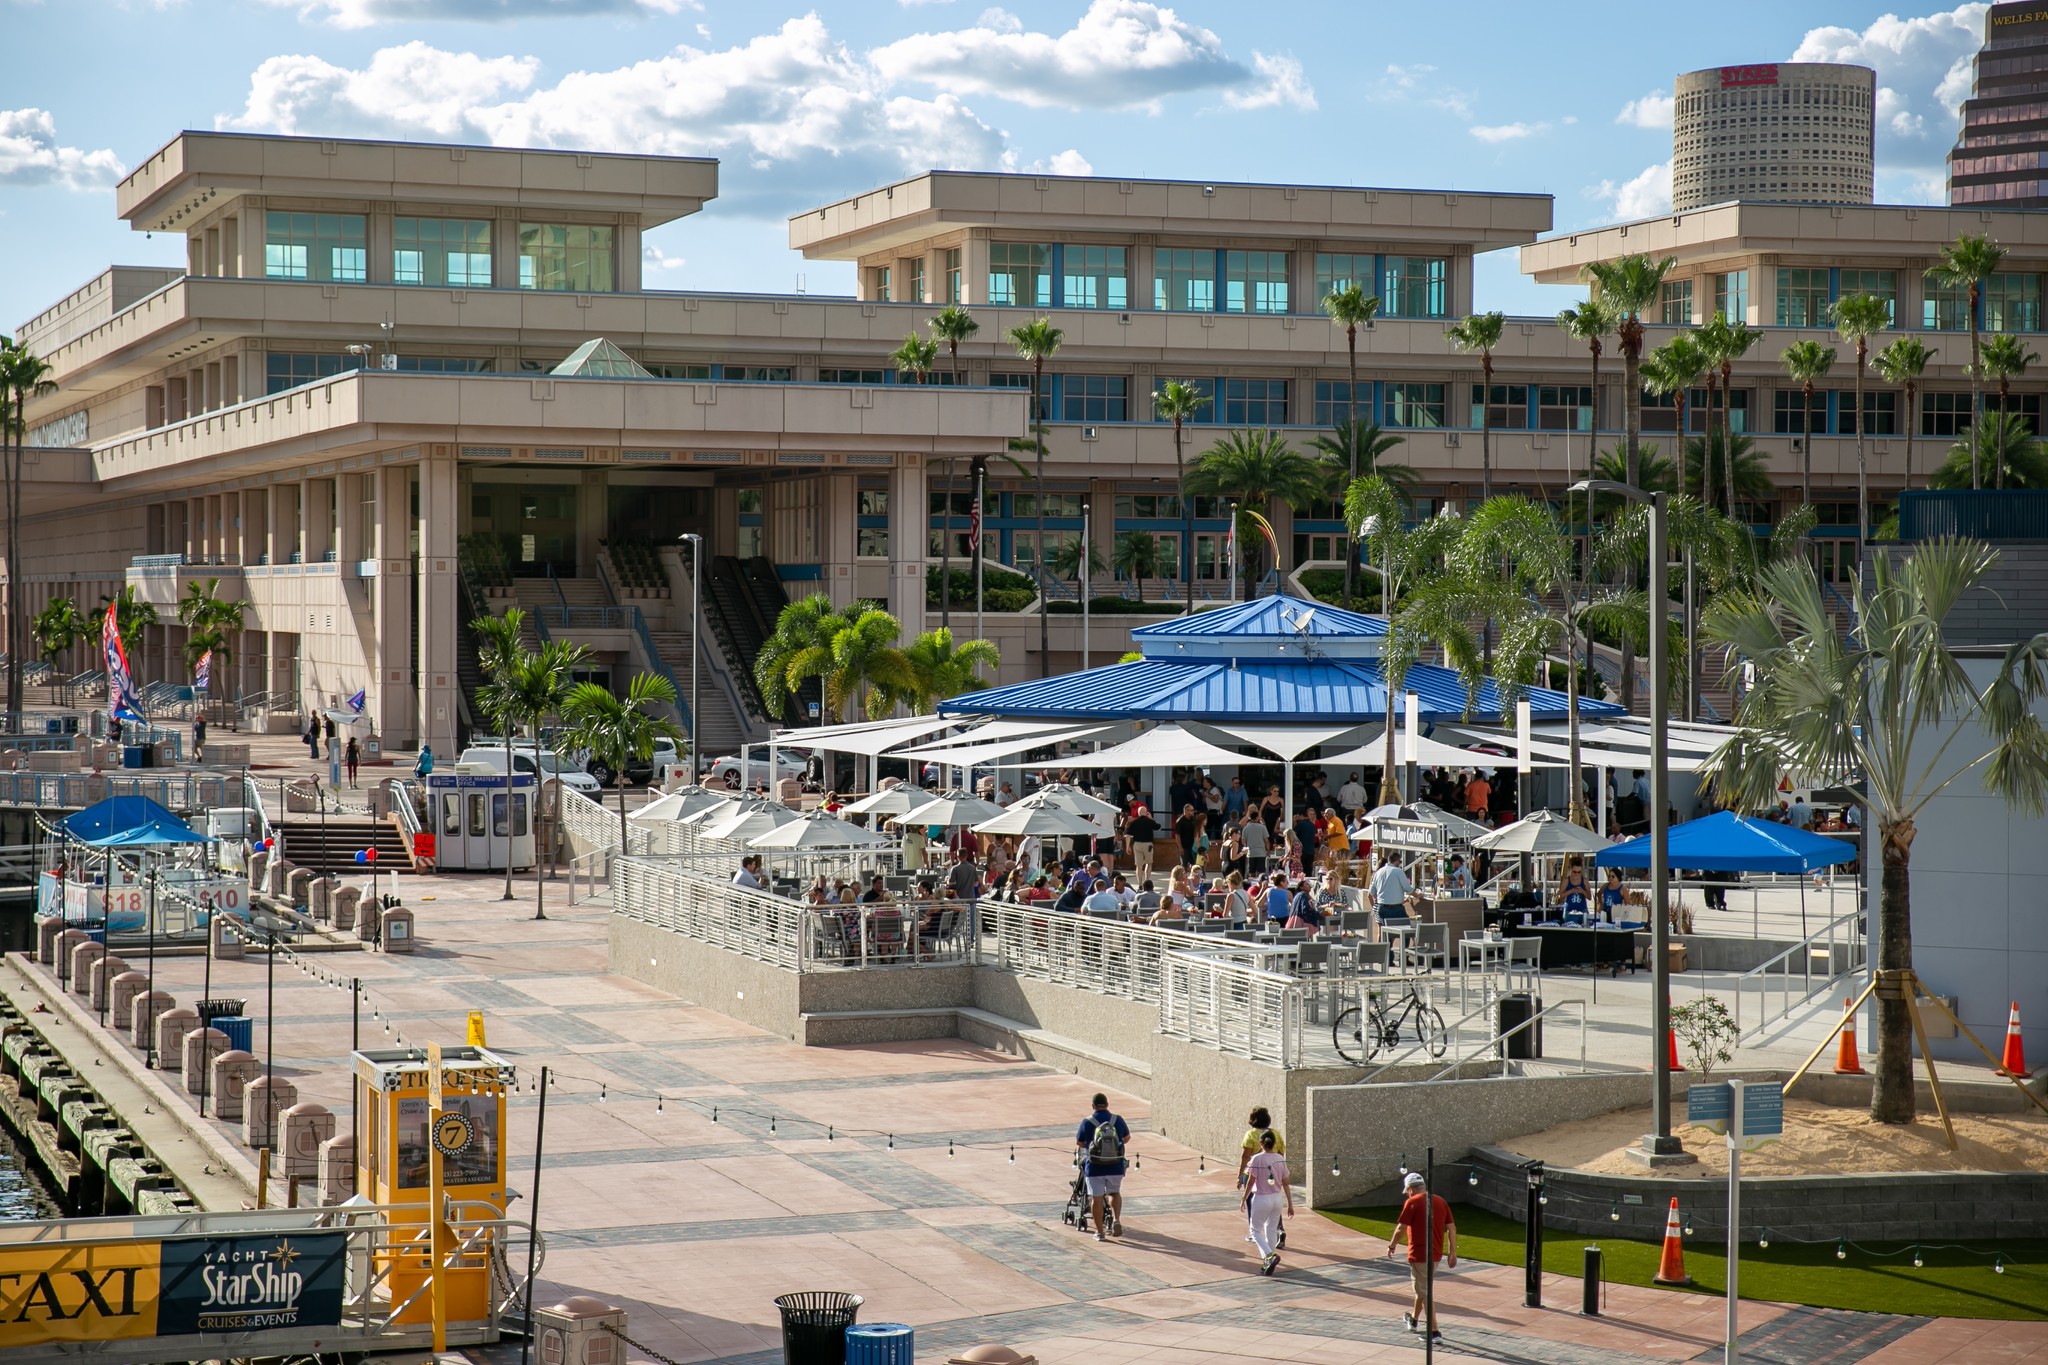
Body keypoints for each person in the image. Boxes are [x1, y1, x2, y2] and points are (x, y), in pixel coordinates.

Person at [1388, 1171, 1456, 1340]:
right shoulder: (1440, 1201)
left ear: (1410, 1189)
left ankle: (1434, 1331)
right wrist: (1452, 1252)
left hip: (1419, 1254)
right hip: (1435, 1254)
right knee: (1423, 1288)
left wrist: (1392, 1245)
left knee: (1424, 1291)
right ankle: (1414, 1319)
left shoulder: (1412, 1202)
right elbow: (1452, 1228)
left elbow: (1401, 1228)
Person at [1076, 1093, 1131, 1242]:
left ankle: (1100, 1233)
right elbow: (1126, 1138)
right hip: (1115, 1165)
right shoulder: (1117, 1120)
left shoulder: (1087, 1122)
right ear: (1107, 1104)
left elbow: (1080, 1143)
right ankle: (1116, 1219)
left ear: (1093, 1106)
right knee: (1114, 1193)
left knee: (1097, 1198)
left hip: (1094, 1167)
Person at [1242, 1128, 1293, 1275]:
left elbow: (1251, 1181)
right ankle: (1268, 1260)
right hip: (1277, 1198)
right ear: (1274, 1143)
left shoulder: (1256, 1159)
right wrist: (1290, 1204)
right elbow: (1286, 1183)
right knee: (1271, 1229)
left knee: (1255, 1230)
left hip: (1262, 1198)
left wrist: (1244, 1198)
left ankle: (1270, 1256)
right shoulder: (1280, 1158)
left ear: (1261, 1144)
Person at [1370, 851, 1413, 931]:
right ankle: (1403, 944)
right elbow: (1408, 889)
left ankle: (1387, 944)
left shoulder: (1378, 872)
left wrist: (1381, 899)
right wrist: (1418, 894)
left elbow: (1372, 892)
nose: (1400, 864)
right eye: (1399, 861)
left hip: (1382, 908)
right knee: (1407, 930)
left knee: (1386, 934)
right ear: (1396, 861)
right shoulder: (1398, 871)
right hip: (1396, 908)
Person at [1125, 803, 1159, 886]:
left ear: (1139, 813)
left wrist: (1127, 846)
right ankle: (1147, 881)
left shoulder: (1134, 822)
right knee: (1149, 863)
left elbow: (1128, 835)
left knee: (1139, 865)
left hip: (1137, 844)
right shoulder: (1150, 822)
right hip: (1148, 845)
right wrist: (1151, 818)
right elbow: (1158, 827)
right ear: (1146, 812)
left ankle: (1140, 884)